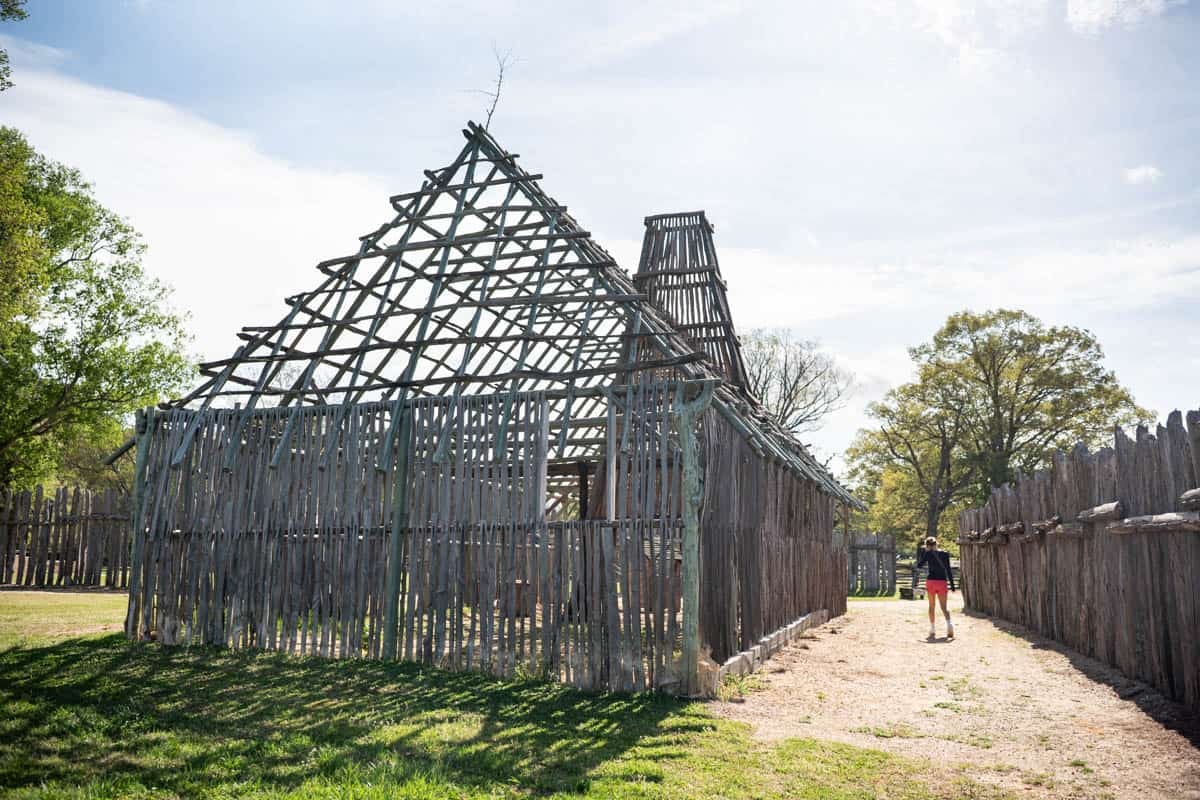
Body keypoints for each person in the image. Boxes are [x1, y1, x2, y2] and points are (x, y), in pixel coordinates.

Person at [915, 536, 955, 640]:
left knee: (931, 606)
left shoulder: (927, 554)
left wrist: (923, 553)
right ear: (936, 544)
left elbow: (919, 565)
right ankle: (949, 625)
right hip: (942, 582)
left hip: (931, 582)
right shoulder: (945, 554)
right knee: (944, 607)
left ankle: (932, 629)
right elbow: (948, 570)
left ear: (927, 546)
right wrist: (952, 585)